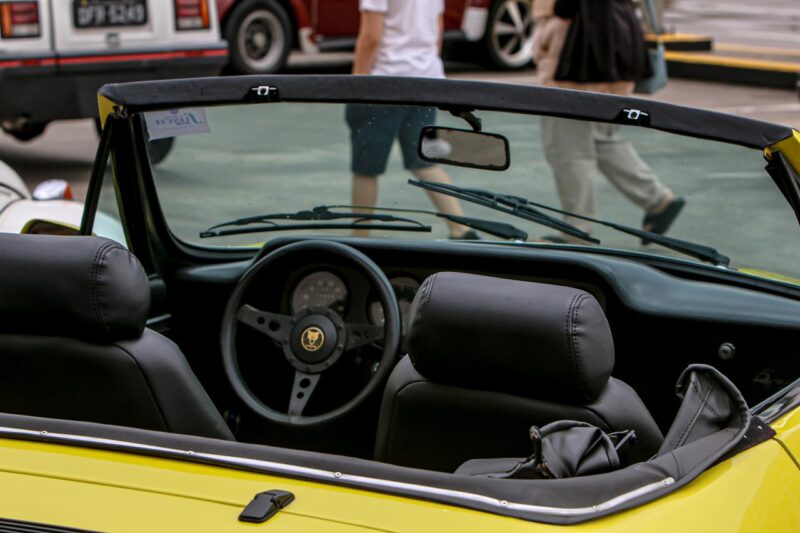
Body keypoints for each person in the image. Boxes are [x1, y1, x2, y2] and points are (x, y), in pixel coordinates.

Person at [532, 0, 684, 243]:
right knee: (603, 138)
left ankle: (577, 229)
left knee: (568, 148)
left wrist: (546, 36)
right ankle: (657, 199)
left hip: (576, 53)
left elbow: (563, 8)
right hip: (615, 46)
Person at [346, 0, 476, 239]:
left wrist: (356, 85)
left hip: (384, 83)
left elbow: (371, 37)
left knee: (366, 168)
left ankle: (360, 239)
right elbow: (436, 29)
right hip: (425, 80)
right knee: (423, 160)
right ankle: (461, 228)